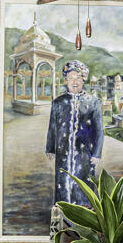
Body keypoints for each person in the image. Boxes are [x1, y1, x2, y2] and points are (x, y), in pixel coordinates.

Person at [46, 60, 104, 206]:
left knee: (84, 185)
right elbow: (52, 127)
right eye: (71, 78)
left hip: (85, 153)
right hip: (63, 152)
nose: (75, 82)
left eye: (78, 78)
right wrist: (50, 148)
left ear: (84, 80)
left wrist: (97, 153)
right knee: (63, 183)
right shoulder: (58, 102)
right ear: (66, 80)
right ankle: (63, 212)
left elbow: (99, 130)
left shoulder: (94, 102)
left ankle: (84, 215)